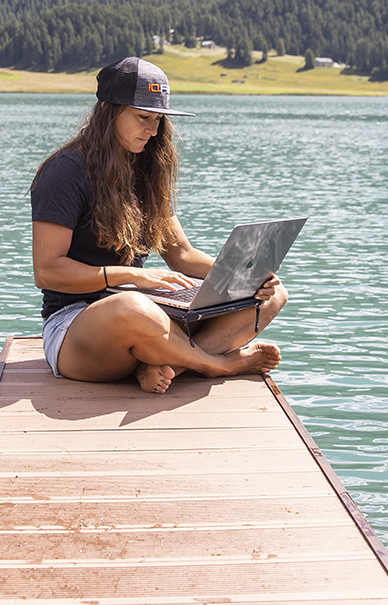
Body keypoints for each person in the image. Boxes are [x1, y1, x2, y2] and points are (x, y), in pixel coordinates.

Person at [30, 57, 286, 394]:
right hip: (75, 326)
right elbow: (47, 272)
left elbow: (181, 254)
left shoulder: (146, 170)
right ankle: (217, 364)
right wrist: (133, 276)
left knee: (271, 296)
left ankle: (170, 367)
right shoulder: (66, 171)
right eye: (142, 117)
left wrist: (245, 277)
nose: (152, 130)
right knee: (130, 307)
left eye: (158, 120)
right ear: (108, 110)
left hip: (148, 311)